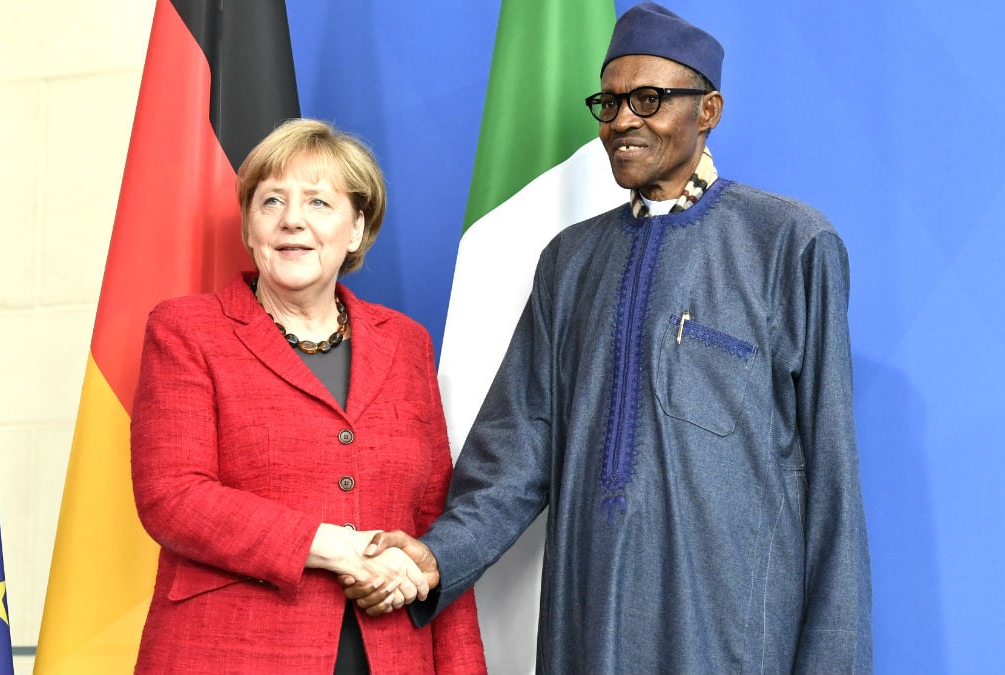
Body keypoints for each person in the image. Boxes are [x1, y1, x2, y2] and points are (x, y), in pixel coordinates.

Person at [347, 3, 873, 674]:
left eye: (649, 99)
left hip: (732, 635)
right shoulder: (568, 261)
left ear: (707, 110)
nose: (622, 120)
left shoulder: (790, 243)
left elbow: (831, 482)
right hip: (586, 622)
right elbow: (516, 450)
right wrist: (437, 554)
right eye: (610, 102)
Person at [129, 118, 487, 675]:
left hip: (392, 653)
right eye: (271, 201)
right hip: (228, 653)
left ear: (356, 229)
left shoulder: (406, 343)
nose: (291, 219)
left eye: (319, 203)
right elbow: (173, 496)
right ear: (250, 226)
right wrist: (337, 548)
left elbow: (434, 519)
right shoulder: (187, 330)